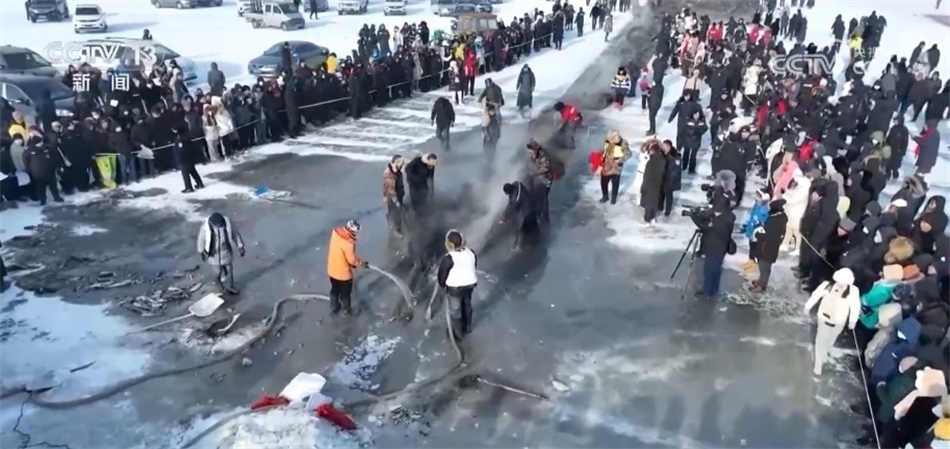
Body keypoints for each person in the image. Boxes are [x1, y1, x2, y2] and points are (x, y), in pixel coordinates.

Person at [803, 267, 861, 375]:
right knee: (821, 341)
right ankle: (818, 364)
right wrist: (808, 306)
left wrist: (853, 320)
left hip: (839, 322)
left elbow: (855, 306)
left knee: (830, 340)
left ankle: (824, 353)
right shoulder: (827, 285)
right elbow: (816, 295)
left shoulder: (853, 291)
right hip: (824, 319)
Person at [436, 229, 478, 341]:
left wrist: (442, 285)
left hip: (455, 289)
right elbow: (474, 266)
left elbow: (442, 275)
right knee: (467, 304)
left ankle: (457, 333)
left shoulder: (449, 258)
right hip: (470, 285)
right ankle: (468, 327)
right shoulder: (471, 252)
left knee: (456, 310)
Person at [196, 212, 245, 295]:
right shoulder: (205, 228)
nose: (219, 226)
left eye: (220, 225)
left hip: (226, 252)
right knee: (217, 272)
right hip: (213, 255)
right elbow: (201, 239)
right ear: (212, 224)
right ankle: (219, 286)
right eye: (217, 225)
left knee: (229, 270)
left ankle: (231, 286)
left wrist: (240, 246)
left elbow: (235, 235)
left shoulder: (228, 225)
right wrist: (201, 251)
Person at [697, 201, 736, 298]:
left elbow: (706, 228)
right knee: (716, 269)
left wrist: (694, 218)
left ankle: (707, 291)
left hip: (714, 248)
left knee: (709, 270)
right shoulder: (729, 217)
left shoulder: (720, 221)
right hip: (721, 248)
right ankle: (714, 290)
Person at [326, 220, 366, 316]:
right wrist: (361, 263)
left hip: (332, 270)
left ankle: (334, 306)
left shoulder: (335, 234)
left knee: (334, 289)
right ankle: (346, 310)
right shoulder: (349, 244)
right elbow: (352, 260)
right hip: (343, 275)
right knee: (345, 294)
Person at [597, 130, 632, 204]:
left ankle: (613, 198)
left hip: (616, 166)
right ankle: (605, 196)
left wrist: (621, 160)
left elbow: (628, 153)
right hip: (607, 165)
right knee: (603, 182)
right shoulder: (607, 142)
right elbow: (602, 151)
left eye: (618, 135)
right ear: (611, 138)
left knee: (615, 182)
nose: (618, 137)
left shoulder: (623, 143)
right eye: (616, 136)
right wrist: (599, 157)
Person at [500, 181, 536, 250]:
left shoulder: (516, 199)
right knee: (533, 228)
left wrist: (504, 218)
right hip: (531, 208)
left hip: (527, 215)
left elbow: (512, 208)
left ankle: (520, 247)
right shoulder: (518, 185)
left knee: (522, 233)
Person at [526, 140, 553, 223]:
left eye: (531, 152)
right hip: (537, 180)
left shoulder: (544, 157)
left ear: (535, 150)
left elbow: (546, 168)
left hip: (545, 181)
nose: (530, 153)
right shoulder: (532, 156)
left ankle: (545, 220)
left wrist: (534, 173)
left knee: (543, 200)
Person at [174, 127, 205, 193]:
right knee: (193, 171)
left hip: (184, 160)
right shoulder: (188, 138)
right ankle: (199, 183)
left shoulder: (180, 140)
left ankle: (188, 187)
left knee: (185, 174)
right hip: (190, 158)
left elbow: (180, 151)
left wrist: (179, 160)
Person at [382, 155, 405, 237]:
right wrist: (396, 200)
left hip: (397, 194)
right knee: (396, 213)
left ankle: (391, 222)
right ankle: (396, 229)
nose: (402, 164)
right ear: (396, 162)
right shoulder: (390, 174)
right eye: (401, 162)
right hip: (393, 197)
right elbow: (390, 189)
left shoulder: (396, 170)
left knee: (393, 211)